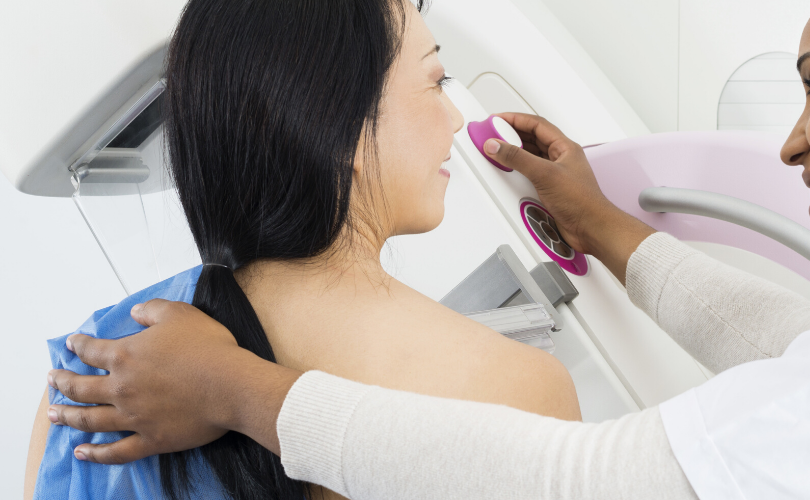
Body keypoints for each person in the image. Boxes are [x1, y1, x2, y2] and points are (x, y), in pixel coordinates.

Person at [44, 0, 810, 498]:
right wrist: (608, 228)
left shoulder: (120, 349)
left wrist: (241, 394)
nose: (792, 139)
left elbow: (587, 474)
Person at [24, 0, 579, 498]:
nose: (455, 117)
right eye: (437, 79)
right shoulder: (516, 389)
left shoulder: (93, 372)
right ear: (342, 129)